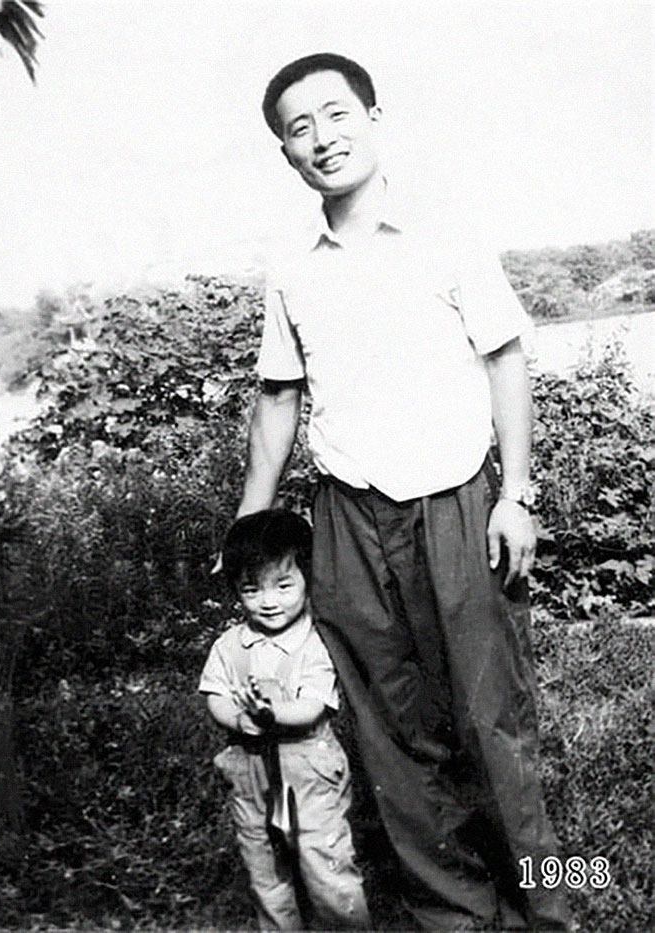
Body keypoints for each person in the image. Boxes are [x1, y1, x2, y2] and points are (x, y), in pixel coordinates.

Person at [230, 52, 573, 931]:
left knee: (492, 716)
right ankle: (453, 907)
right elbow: (278, 396)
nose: (322, 137)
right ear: (287, 155)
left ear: (374, 120)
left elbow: (505, 359)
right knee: (389, 726)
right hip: (346, 514)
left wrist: (518, 492)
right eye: (299, 128)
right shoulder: (292, 265)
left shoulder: (446, 231)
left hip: (457, 501)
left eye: (337, 115)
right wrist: (249, 526)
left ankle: (553, 901)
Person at [200, 508, 370, 931]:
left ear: (308, 580)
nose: (269, 600)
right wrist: (239, 720)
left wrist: (272, 713)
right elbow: (216, 695)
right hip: (249, 771)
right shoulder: (230, 645)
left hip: (308, 769)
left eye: (284, 585)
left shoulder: (317, 643)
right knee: (264, 870)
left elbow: (312, 706)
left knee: (325, 864)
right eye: (251, 590)